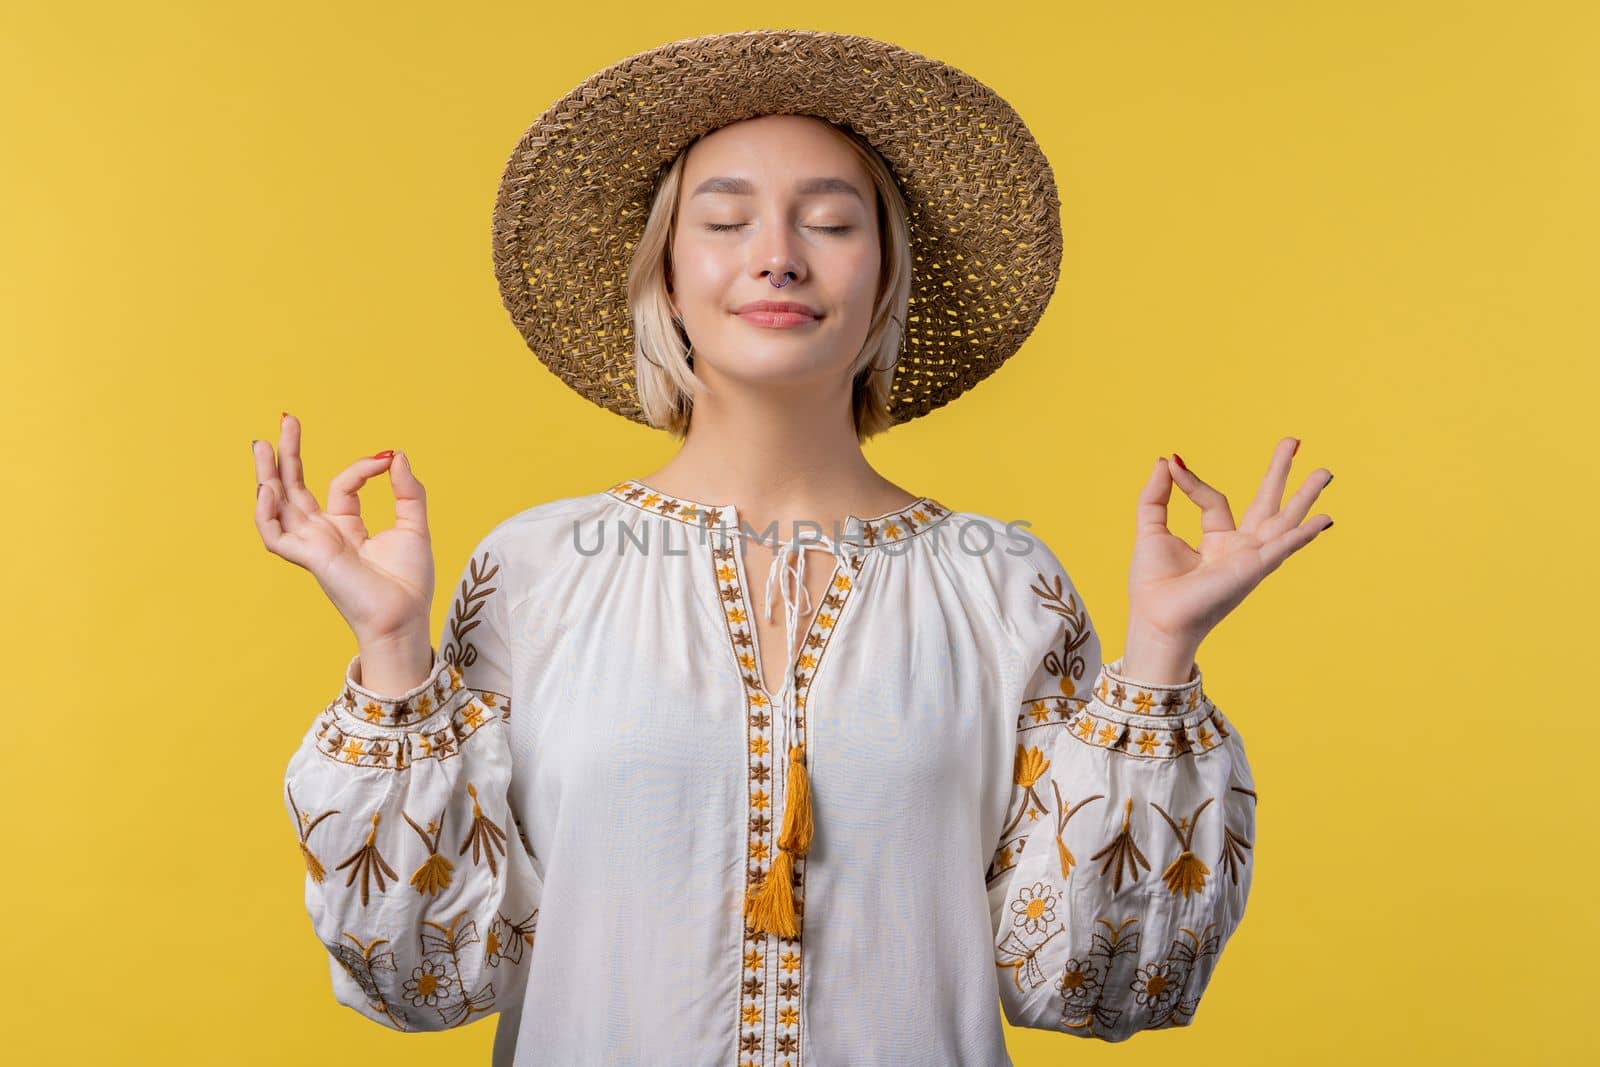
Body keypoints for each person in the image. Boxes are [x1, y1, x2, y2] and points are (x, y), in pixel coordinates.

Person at [251, 30, 1333, 1067]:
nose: (776, 257)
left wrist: (1159, 654)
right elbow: (428, 976)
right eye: (724, 222)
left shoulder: (1001, 583)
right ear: (663, 277)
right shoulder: (536, 571)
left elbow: (1089, 983)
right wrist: (392, 648)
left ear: (883, 278)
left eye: (828, 220)